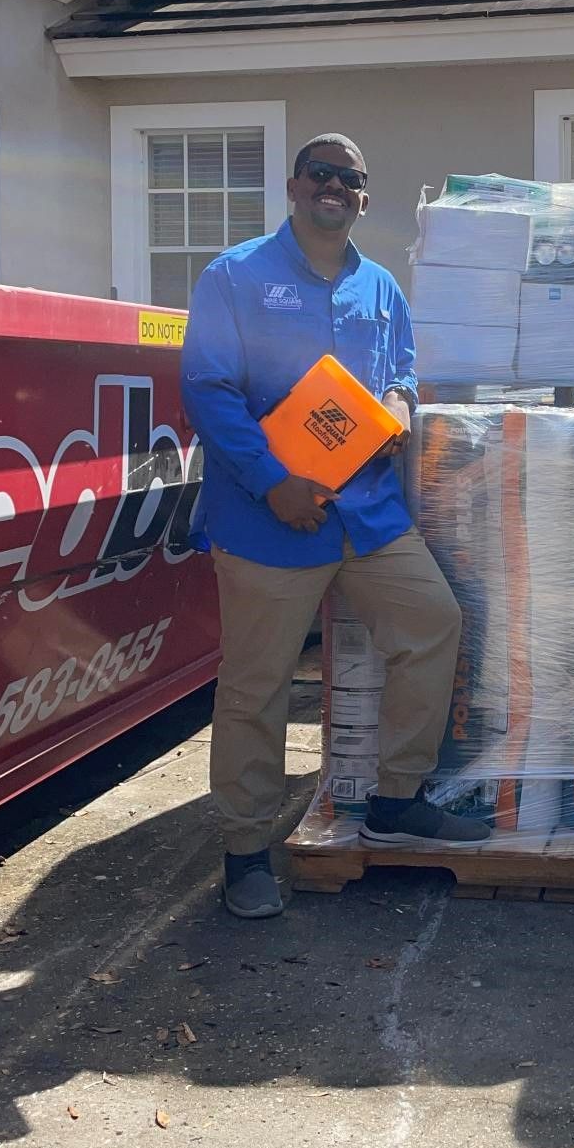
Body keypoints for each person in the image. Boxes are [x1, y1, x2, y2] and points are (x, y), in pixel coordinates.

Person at [181, 134, 490, 920]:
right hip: (267, 520)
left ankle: (393, 801)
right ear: (293, 185)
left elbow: (402, 374)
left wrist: (402, 406)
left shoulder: (381, 287)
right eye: (321, 173)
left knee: (434, 623)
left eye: (349, 180)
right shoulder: (235, 276)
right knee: (257, 688)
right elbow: (209, 390)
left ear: (362, 197)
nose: (334, 187)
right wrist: (273, 481)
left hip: (367, 512)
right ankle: (246, 849)